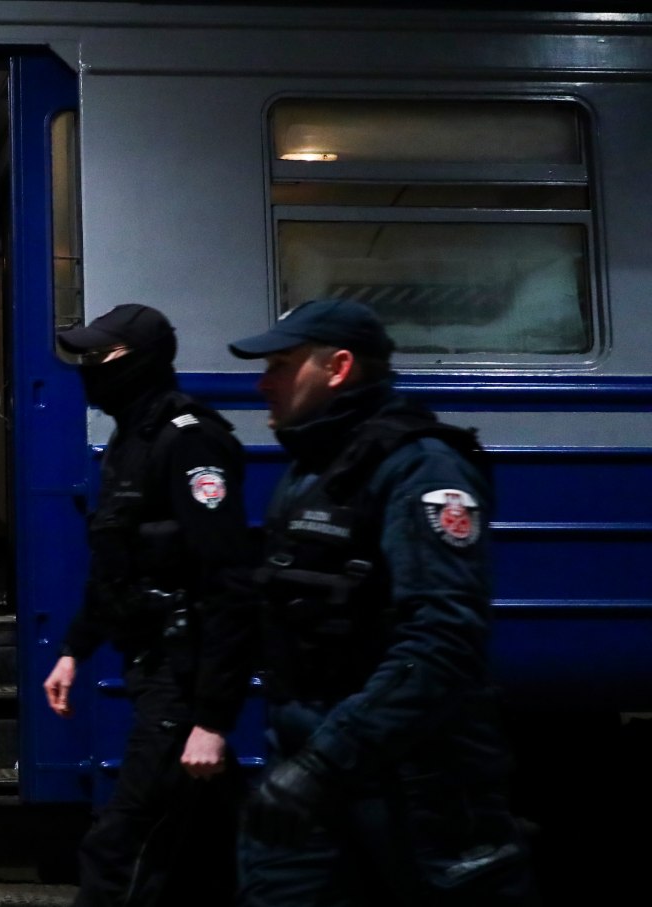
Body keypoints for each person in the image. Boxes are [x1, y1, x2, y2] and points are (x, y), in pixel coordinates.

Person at [228, 298, 540, 906]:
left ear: (338, 367)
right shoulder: (312, 471)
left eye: (282, 365)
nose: (264, 383)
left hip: (412, 779)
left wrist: (322, 765)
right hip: (318, 766)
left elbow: (442, 642)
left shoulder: (421, 469)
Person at [43, 303, 256, 907]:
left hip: (180, 678)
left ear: (141, 363)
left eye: (99, 356)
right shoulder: (129, 440)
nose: (87, 368)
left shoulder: (191, 442)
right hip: (153, 666)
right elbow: (118, 561)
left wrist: (211, 718)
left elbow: (229, 582)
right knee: (212, 855)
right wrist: (74, 651)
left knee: (120, 849)